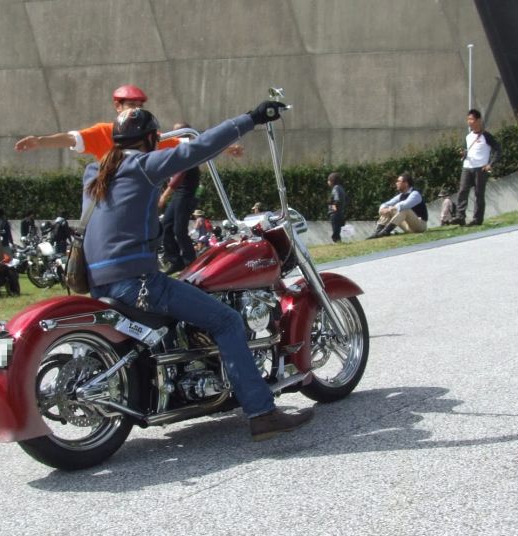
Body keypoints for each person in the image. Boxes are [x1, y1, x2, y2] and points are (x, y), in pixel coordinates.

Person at [82, 102, 314, 441]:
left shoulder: (95, 171)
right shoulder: (144, 166)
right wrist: (252, 118)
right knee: (227, 321)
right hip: (137, 282)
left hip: (99, 283)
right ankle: (262, 413)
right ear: (151, 139)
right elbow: (200, 148)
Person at [14, 84, 242, 161]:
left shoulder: (151, 137)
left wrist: (224, 147)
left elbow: (189, 143)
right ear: (118, 106)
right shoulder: (104, 132)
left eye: (139, 105)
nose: (136, 109)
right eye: (131, 104)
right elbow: (71, 138)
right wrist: (40, 141)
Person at [159, 122, 201, 275]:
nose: (175, 136)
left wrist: (164, 196)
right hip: (179, 193)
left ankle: (191, 263)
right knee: (166, 226)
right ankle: (176, 261)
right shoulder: (175, 149)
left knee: (179, 230)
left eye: (178, 133)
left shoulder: (188, 150)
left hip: (186, 193)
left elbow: (180, 175)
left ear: (187, 134)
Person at [453, 109, 501, 226]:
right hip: (467, 167)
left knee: (479, 194)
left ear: (478, 120)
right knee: (462, 191)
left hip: (480, 168)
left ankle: (477, 219)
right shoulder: (468, 136)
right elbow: (466, 150)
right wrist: (463, 153)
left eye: (471, 119)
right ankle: (460, 216)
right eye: (468, 119)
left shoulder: (486, 136)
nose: (469, 122)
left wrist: (490, 164)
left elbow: (498, 150)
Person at [367, 172, 428, 239]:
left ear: (406, 183)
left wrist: (390, 209)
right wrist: (382, 209)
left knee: (405, 209)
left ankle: (385, 232)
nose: (396, 183)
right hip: (408, 226)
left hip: (420, 225)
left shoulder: (415, 194)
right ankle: (377, 232)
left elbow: (405, 204)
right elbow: (387, 204)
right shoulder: (401, 195)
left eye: (398, 181)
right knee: (388, 210)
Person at [327, 172, 347, 243]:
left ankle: (337, 241)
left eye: (328, 180)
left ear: (332, 181)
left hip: (335, 213)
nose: (327, 182)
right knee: (338, 230)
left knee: (335, 230)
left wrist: (333, 210)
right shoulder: (341, 188)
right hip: (340, 212)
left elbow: (337, 200)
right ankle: (339, 241)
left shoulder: (335, 188)